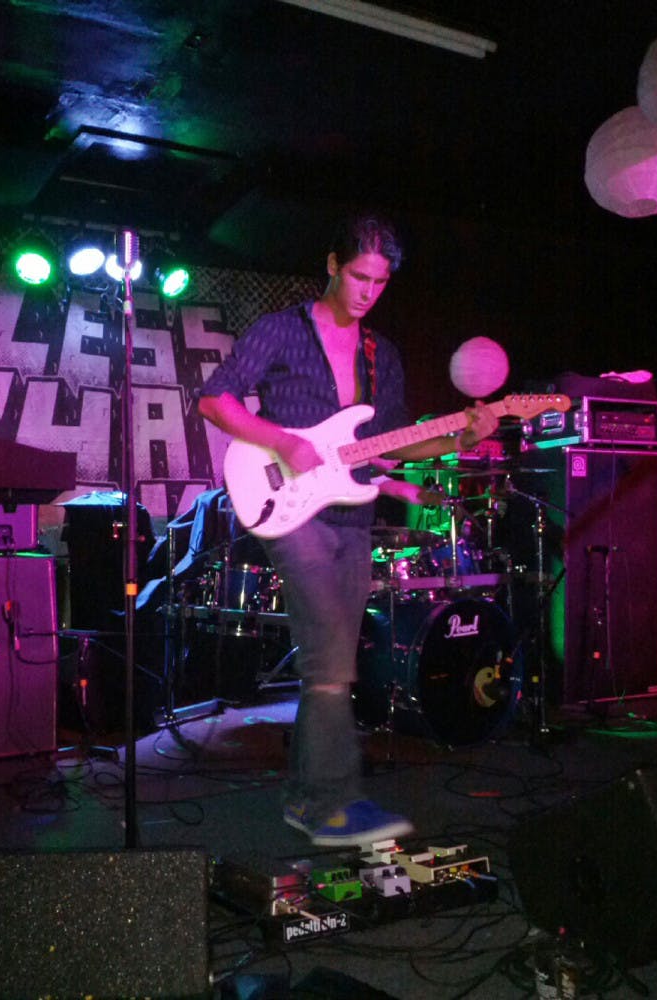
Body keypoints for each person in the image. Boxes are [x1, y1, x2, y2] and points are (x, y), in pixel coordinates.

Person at [198, 214, 498, 845]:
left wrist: (460, 437)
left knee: (332, 658)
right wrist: (283, 441)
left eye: (380, 282)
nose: (368, 291)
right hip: (288, 507)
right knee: (331, 655)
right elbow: (215, 400)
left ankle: (306, 798)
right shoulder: (282, 330)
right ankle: (333, 803)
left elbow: (391, 445)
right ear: (333, 265)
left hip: (351, 515)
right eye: (360, 276)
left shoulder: (381, 355)